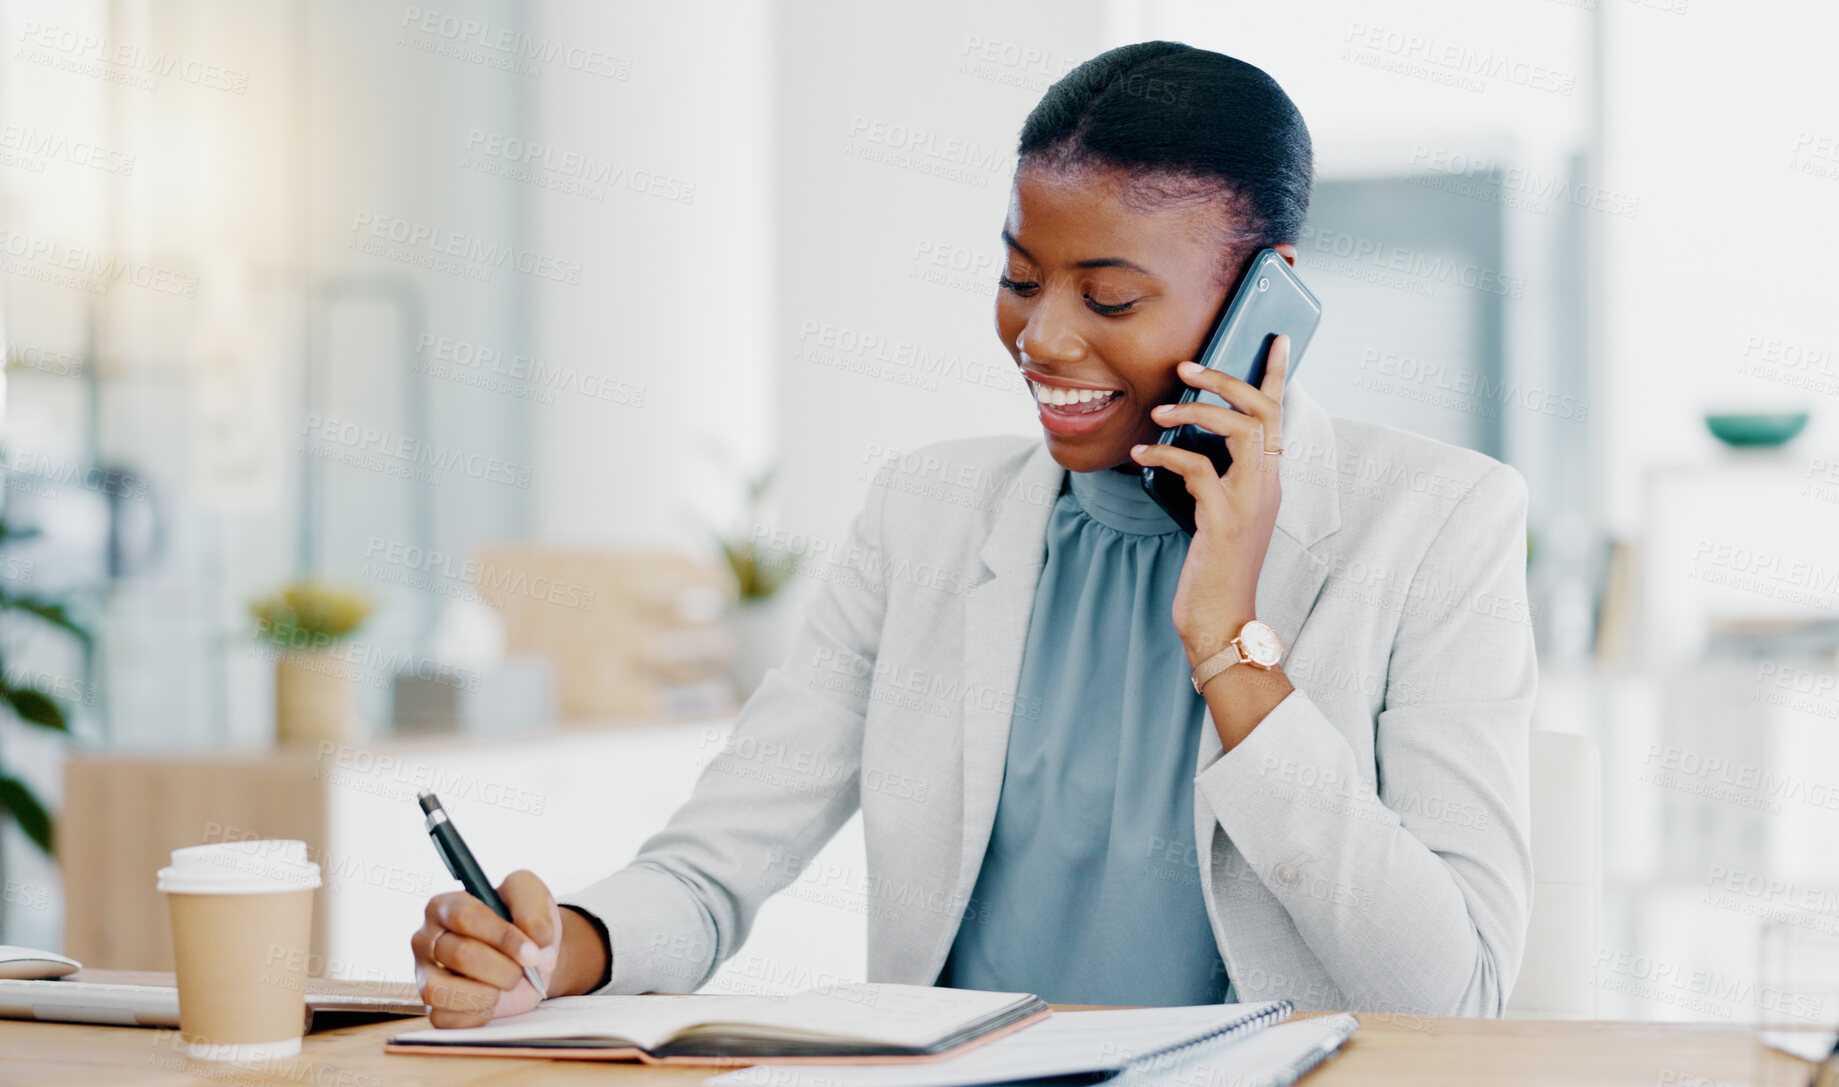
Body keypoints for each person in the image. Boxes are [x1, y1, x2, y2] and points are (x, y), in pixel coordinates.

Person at [409, 41, 1535, 1026]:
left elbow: (1455, 994)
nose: (1041, 338)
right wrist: (558, 952)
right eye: (1018, 276)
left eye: (1108, 300)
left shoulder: (1435, 525)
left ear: (1264, 301)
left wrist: (1231, 641)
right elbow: (710, 871)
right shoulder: (923, 516)